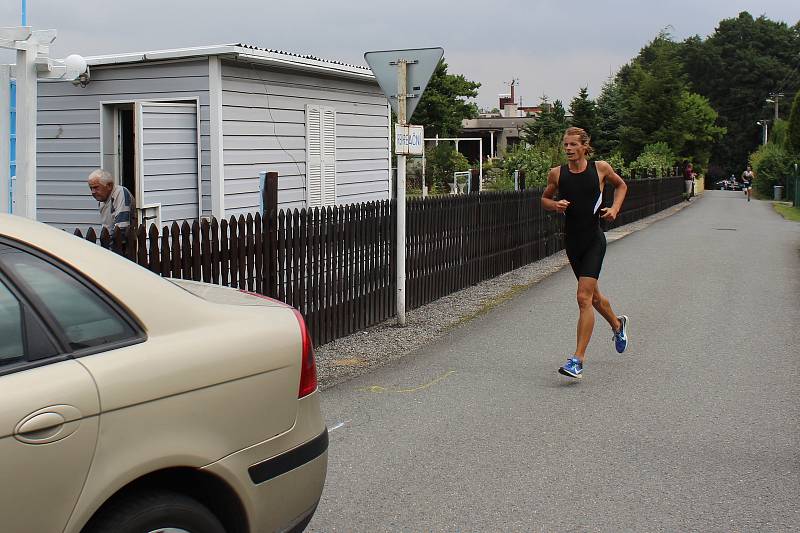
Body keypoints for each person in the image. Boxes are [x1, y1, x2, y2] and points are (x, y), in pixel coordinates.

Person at [541, 127, 629, 379]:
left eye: (572, 145)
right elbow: (544, 199)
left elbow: (621, 186)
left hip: (593, 240)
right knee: (594, 298)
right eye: (565, 145)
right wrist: (555, 205)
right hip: (572, 242)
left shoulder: (600, 168)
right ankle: (617, 324)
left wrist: (614, 208)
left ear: (584, 146)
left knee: (583, 298)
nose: (567, 148)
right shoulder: (557, 174)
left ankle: (577, 360)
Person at [87, 169, 135, 234]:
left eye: (96, 187)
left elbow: (122, 227)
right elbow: (107, 228)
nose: (93, 192)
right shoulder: (102, 200)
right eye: (91, 188)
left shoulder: (120, 193)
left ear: (109, 186)